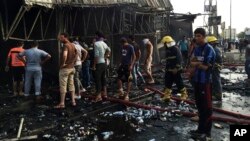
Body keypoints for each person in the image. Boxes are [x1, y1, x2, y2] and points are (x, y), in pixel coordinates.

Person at [190, 28, 215, 140]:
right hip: (197, 81)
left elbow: (206, 67)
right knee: (200, 107)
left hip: (206, 83)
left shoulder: (209, 49)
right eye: (196, 36)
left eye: (199, 36)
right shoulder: (197, 49)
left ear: (204, 36)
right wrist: (198, 63)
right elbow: (192, 62)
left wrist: (197, 63)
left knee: (207, 108)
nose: (196, 38)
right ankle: (200, 130)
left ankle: (207, 133)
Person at [160, 36, 188, 101]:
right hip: (169, 70)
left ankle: (184, 94)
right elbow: (169, 60)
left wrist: (176, 68)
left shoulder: (175, 49)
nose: (164, 45)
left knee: (179, 82)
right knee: (168, 82)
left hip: (176, 70)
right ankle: (167, 95)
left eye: (165, 43)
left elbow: (179, 59)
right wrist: (165, 65)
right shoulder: (168, 50)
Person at [55, 32, 77, 108]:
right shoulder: (73, 45)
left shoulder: (65, 46)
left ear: (66, 37)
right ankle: (73, 101)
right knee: (71, 84)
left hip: (65, 69)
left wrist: (63, 64)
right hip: (72, 68)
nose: (60, 39)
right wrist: (72, 63)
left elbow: (64, 55)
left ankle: (62, 103)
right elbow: (77, 55)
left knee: (63, 86)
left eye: (61, 37)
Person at [93, 31, 111, 102]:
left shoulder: (96, 44)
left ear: (98, 36)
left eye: (95, 36)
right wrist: (105, 57)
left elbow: (96, 56)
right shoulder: (104, 43)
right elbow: (109, 50)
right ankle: (105, 94)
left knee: (98, 80)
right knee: (103, 78)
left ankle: (98, 96)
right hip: (104, 63)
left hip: (99, 64)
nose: (95, 37)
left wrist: (94, 65)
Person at [207, 36, 223, 101]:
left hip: (215, 67)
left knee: (216, 80)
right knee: (214, 80)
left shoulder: (216, 50)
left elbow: (218, 59)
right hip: (213, 66)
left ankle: (218, 95)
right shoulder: (213, 49)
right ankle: (214, 93)